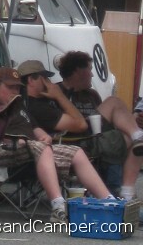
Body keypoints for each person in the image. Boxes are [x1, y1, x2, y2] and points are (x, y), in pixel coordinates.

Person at [0, 65, 113, 224]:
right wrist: (17, 140)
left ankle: (109, 202)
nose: (15, 91)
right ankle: (58, 207)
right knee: (41, 147)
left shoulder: (19, 106)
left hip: (31, 149)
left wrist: (45, 136)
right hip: (3, 150)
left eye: (18, 88)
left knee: (76, 152)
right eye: (10, 87)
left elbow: (35, 128)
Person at [57, 50, 143, 201]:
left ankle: (126, 194)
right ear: (77, 71)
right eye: (89, 69)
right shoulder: (58, 92)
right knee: (113, 102)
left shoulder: (91, 95)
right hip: (79, 140)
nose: (92, 74)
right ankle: (125, 192)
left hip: (98, 138)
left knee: (134, 139)